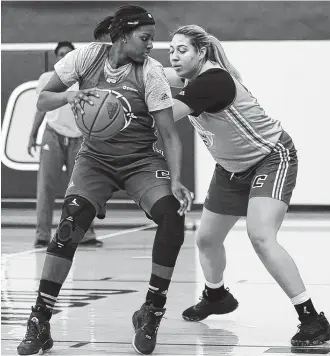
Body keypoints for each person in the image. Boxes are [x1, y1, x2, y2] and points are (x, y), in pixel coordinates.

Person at [17, 6, 193, 356]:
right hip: (95, 159)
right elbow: (43, 98)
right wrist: (70, 95)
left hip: (140, 159)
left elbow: (169, 134)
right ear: (123, 35)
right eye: (145, 38)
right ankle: (39, 320)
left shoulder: (151, 72)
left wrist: (176, 181)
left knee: (172, 216)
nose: (150, 45)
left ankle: (151, 310)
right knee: (67, 227)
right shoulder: (86, 57)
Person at [165, 24, 330, 346]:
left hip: (271, 158)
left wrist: (117, 110)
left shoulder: (212, 81)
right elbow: (152, 74)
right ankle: (216, 296)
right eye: (171, 50)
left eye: (182, 50)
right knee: (207, 239)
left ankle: (313, 319)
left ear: (201, 52)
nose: (174, 57)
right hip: (230, 169)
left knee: (261, 236)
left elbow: (164, 114)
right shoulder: (189, 78)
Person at [29, 41, 101, 248]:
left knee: (81, 189)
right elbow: (41, 108)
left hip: (80, 137)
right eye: (61, 54)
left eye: (68, 53)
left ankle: (86, 234)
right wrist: (32, 134)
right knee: (45, 187)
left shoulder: (86, 79)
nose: (64, 56)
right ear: (56, 57)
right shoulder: (47, 79)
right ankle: (42, 235)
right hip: (53, 135)